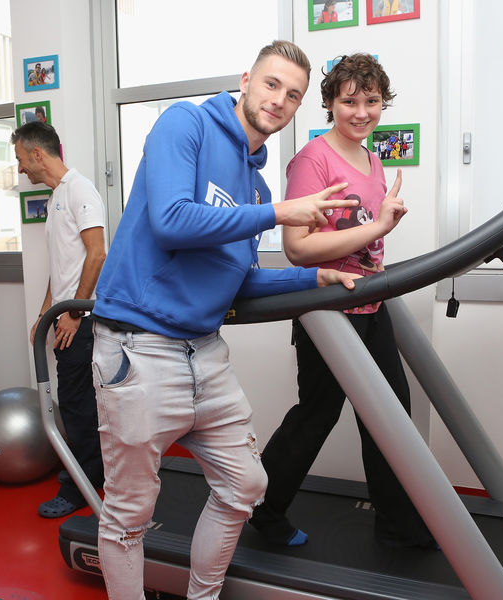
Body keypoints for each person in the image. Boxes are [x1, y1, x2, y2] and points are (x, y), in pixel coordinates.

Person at [90, 40, 362, 600]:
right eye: (271, 84)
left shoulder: (256, 186)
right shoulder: (185, 124)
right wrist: (279, 213)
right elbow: (170, 221)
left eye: (293, 95)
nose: (279, 100)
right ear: (245, 81)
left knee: (246, 485)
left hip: (204, 351)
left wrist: (314, 279)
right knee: (129, 513)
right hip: (139, 349)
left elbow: (235, 282)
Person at [249, 53, 437, 550]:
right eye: (349, 101)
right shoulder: (313, 160)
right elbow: (297, 248)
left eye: (371, 101)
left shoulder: (374, 161)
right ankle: (263, 509)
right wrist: (378, 227)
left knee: (391, 414)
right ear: (330, 103)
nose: (361, 112)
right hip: (326, 312)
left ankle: (398, 526)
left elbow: (366, 237)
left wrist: (382, 225)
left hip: (370, 304)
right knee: (317, 415)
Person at [11, 120, 107, 519]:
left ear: (38, 153)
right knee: (78, 403)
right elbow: (61, 267)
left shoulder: (80, 189)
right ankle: (89, 476)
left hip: (81, 319)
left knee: (76, 403)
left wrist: (74, 312)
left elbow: (97, 253)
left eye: (21, 159)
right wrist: (45, 315)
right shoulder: (57, 198)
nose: (20, 168)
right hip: (65, 316)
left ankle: (78, 487)